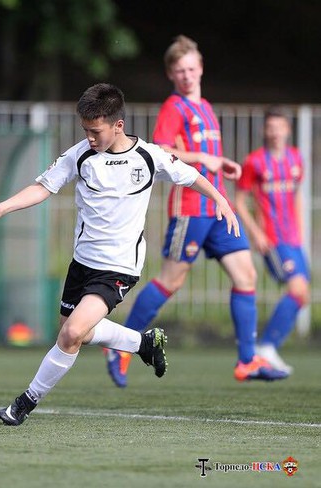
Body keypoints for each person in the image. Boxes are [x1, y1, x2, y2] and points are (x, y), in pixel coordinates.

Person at [0, 82, 241, 426]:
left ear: (118, 125)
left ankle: (23, 403)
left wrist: (220, 199)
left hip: (119, 267)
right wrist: (3, 208)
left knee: (71, 334)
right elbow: (43, 187)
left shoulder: (149, 156)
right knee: (76, 331)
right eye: (85, 130)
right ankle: (143, 344)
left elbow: (191, 177)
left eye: (95, 131)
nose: (90, 138)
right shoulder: (80, 155)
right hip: (82, 263)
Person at [106, 35, 289, 387]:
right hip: (189, 208)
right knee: (171, 280)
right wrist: (204, 157)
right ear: (171, 75)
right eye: (180, 71)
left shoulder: (204, 106)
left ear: (201, 68)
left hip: (218, 207)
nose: (187, 75)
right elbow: (161, 149)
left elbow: (204, 157)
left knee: (246, 276)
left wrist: (219, 163)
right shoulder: (174, 108)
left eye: (191, 69)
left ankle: (247, 361)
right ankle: (121, 346)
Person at [235, 107, 310, 374]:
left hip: (293, 239)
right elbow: (239, 201)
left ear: (287, 130)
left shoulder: (295, 158)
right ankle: (266, 346)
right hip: (273, 239)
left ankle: (269, 347)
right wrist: (256, 232)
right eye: (270, 128)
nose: (275, 132)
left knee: (303, 294)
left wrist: (301, 232)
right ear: (264, 131)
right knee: (297, 289)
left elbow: (297, 195)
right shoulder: (255, 162)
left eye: (279, 127)